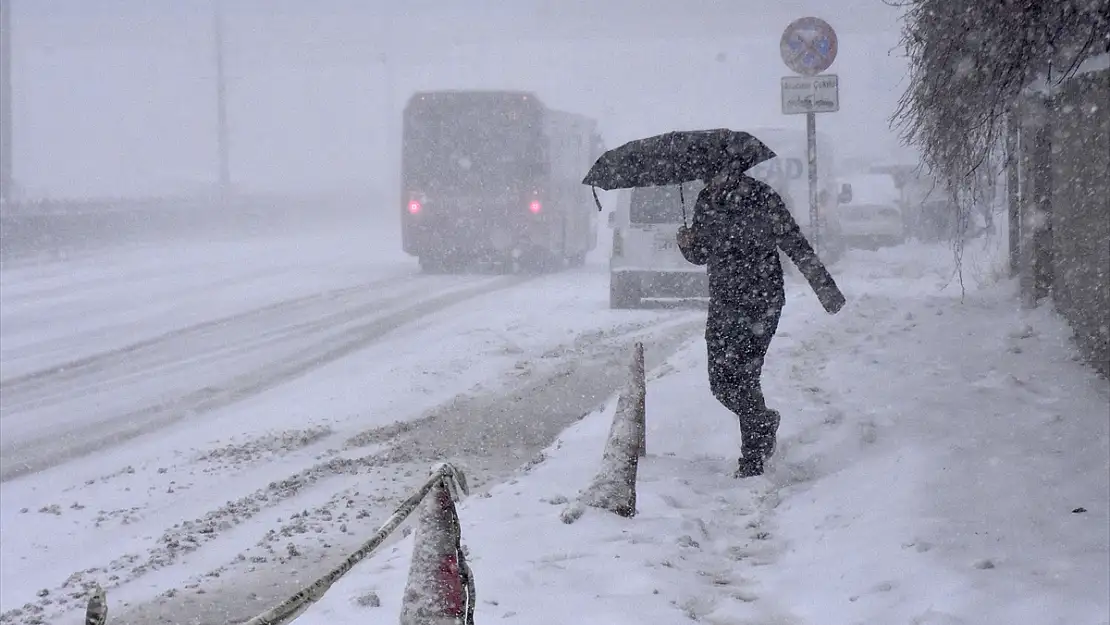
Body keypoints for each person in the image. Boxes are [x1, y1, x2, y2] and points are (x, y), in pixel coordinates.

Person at [677, 164, 845, 478]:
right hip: (724, 302)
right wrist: (688, 245)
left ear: (731, 170)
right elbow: (702, 253)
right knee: (720, 383)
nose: (708, 182)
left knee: (744, 375)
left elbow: (795, 243)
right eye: (705, 178)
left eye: (713, 175)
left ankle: (752, 459)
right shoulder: (705, 202)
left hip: (761, 301)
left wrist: (825, 288)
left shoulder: (761, 197)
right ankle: (763, 422)